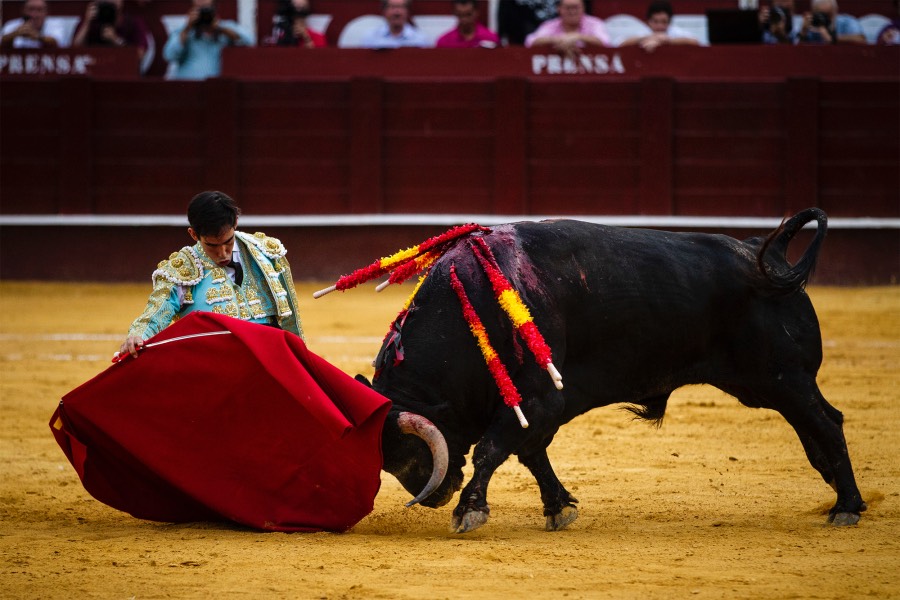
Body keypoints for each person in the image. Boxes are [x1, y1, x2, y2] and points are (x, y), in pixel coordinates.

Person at [119, 191, 303, 358]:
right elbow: (157, 310)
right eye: (212, 245)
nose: (223, 253)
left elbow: (290, 317)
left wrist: (299, 356)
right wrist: (138, 334)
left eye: (228, 242)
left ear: (235, 223)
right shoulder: (180, 270)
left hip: (267, 357)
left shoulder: (265, 252)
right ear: (193, 234)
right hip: (215, 360)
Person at [162, 0, 253, 80]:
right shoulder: (183, 30)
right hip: (188, 87)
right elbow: (169, 55)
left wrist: (220, 29)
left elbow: (249, 41)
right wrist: (187, 28)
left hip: (215, 87)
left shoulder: (225, 27)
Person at [72, 0, 151, 64]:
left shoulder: (133, 23)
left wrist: (116, 40)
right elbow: (75, 50)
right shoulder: (91, 22)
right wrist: (87, 23)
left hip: (123, 72)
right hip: (94, 69)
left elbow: (140, 55)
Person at [524, 0, 610, 56]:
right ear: (559, 9)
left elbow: (605, 42)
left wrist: (577, 36)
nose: (572, 12)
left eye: (576, 8)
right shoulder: (550, 25)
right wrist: (558, 40)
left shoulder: (594, 23)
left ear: (583, 8)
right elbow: (530, 42)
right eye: (568, 8)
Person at [618, 0, 702, 51]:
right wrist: (644, 39)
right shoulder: (643, 32)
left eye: (664, 22)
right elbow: (620, 44)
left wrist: (668, 41)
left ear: (669, 22)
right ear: (648, 21)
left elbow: (696, 42)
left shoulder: (675, 32)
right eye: (655, 21)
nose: (660, 26)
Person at [359, 0, 429, 48]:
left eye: (401, 7)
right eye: (392, 7)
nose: (397, 12)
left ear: (407, 11)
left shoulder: (419, 40)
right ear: (384, 11)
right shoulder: (371, 39)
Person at [0, 0, 67, 49]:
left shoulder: (55, 24)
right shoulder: (11, 24)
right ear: (23, 10)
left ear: (46, 12)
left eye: (39, 10)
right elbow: (2, 43)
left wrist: (37, 37)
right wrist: (15, 33)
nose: (34, 15)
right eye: (31, 9)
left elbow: (57, 43)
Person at [797, 0, 866, 44]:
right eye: (820, 14)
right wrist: (803, 31)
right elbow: (798, 51)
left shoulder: (847, 22)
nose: (824, 18)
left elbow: (861, 40)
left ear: (835, 10)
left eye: (828, 15)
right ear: (813, 12)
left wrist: (833, 38)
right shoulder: (811, 25)